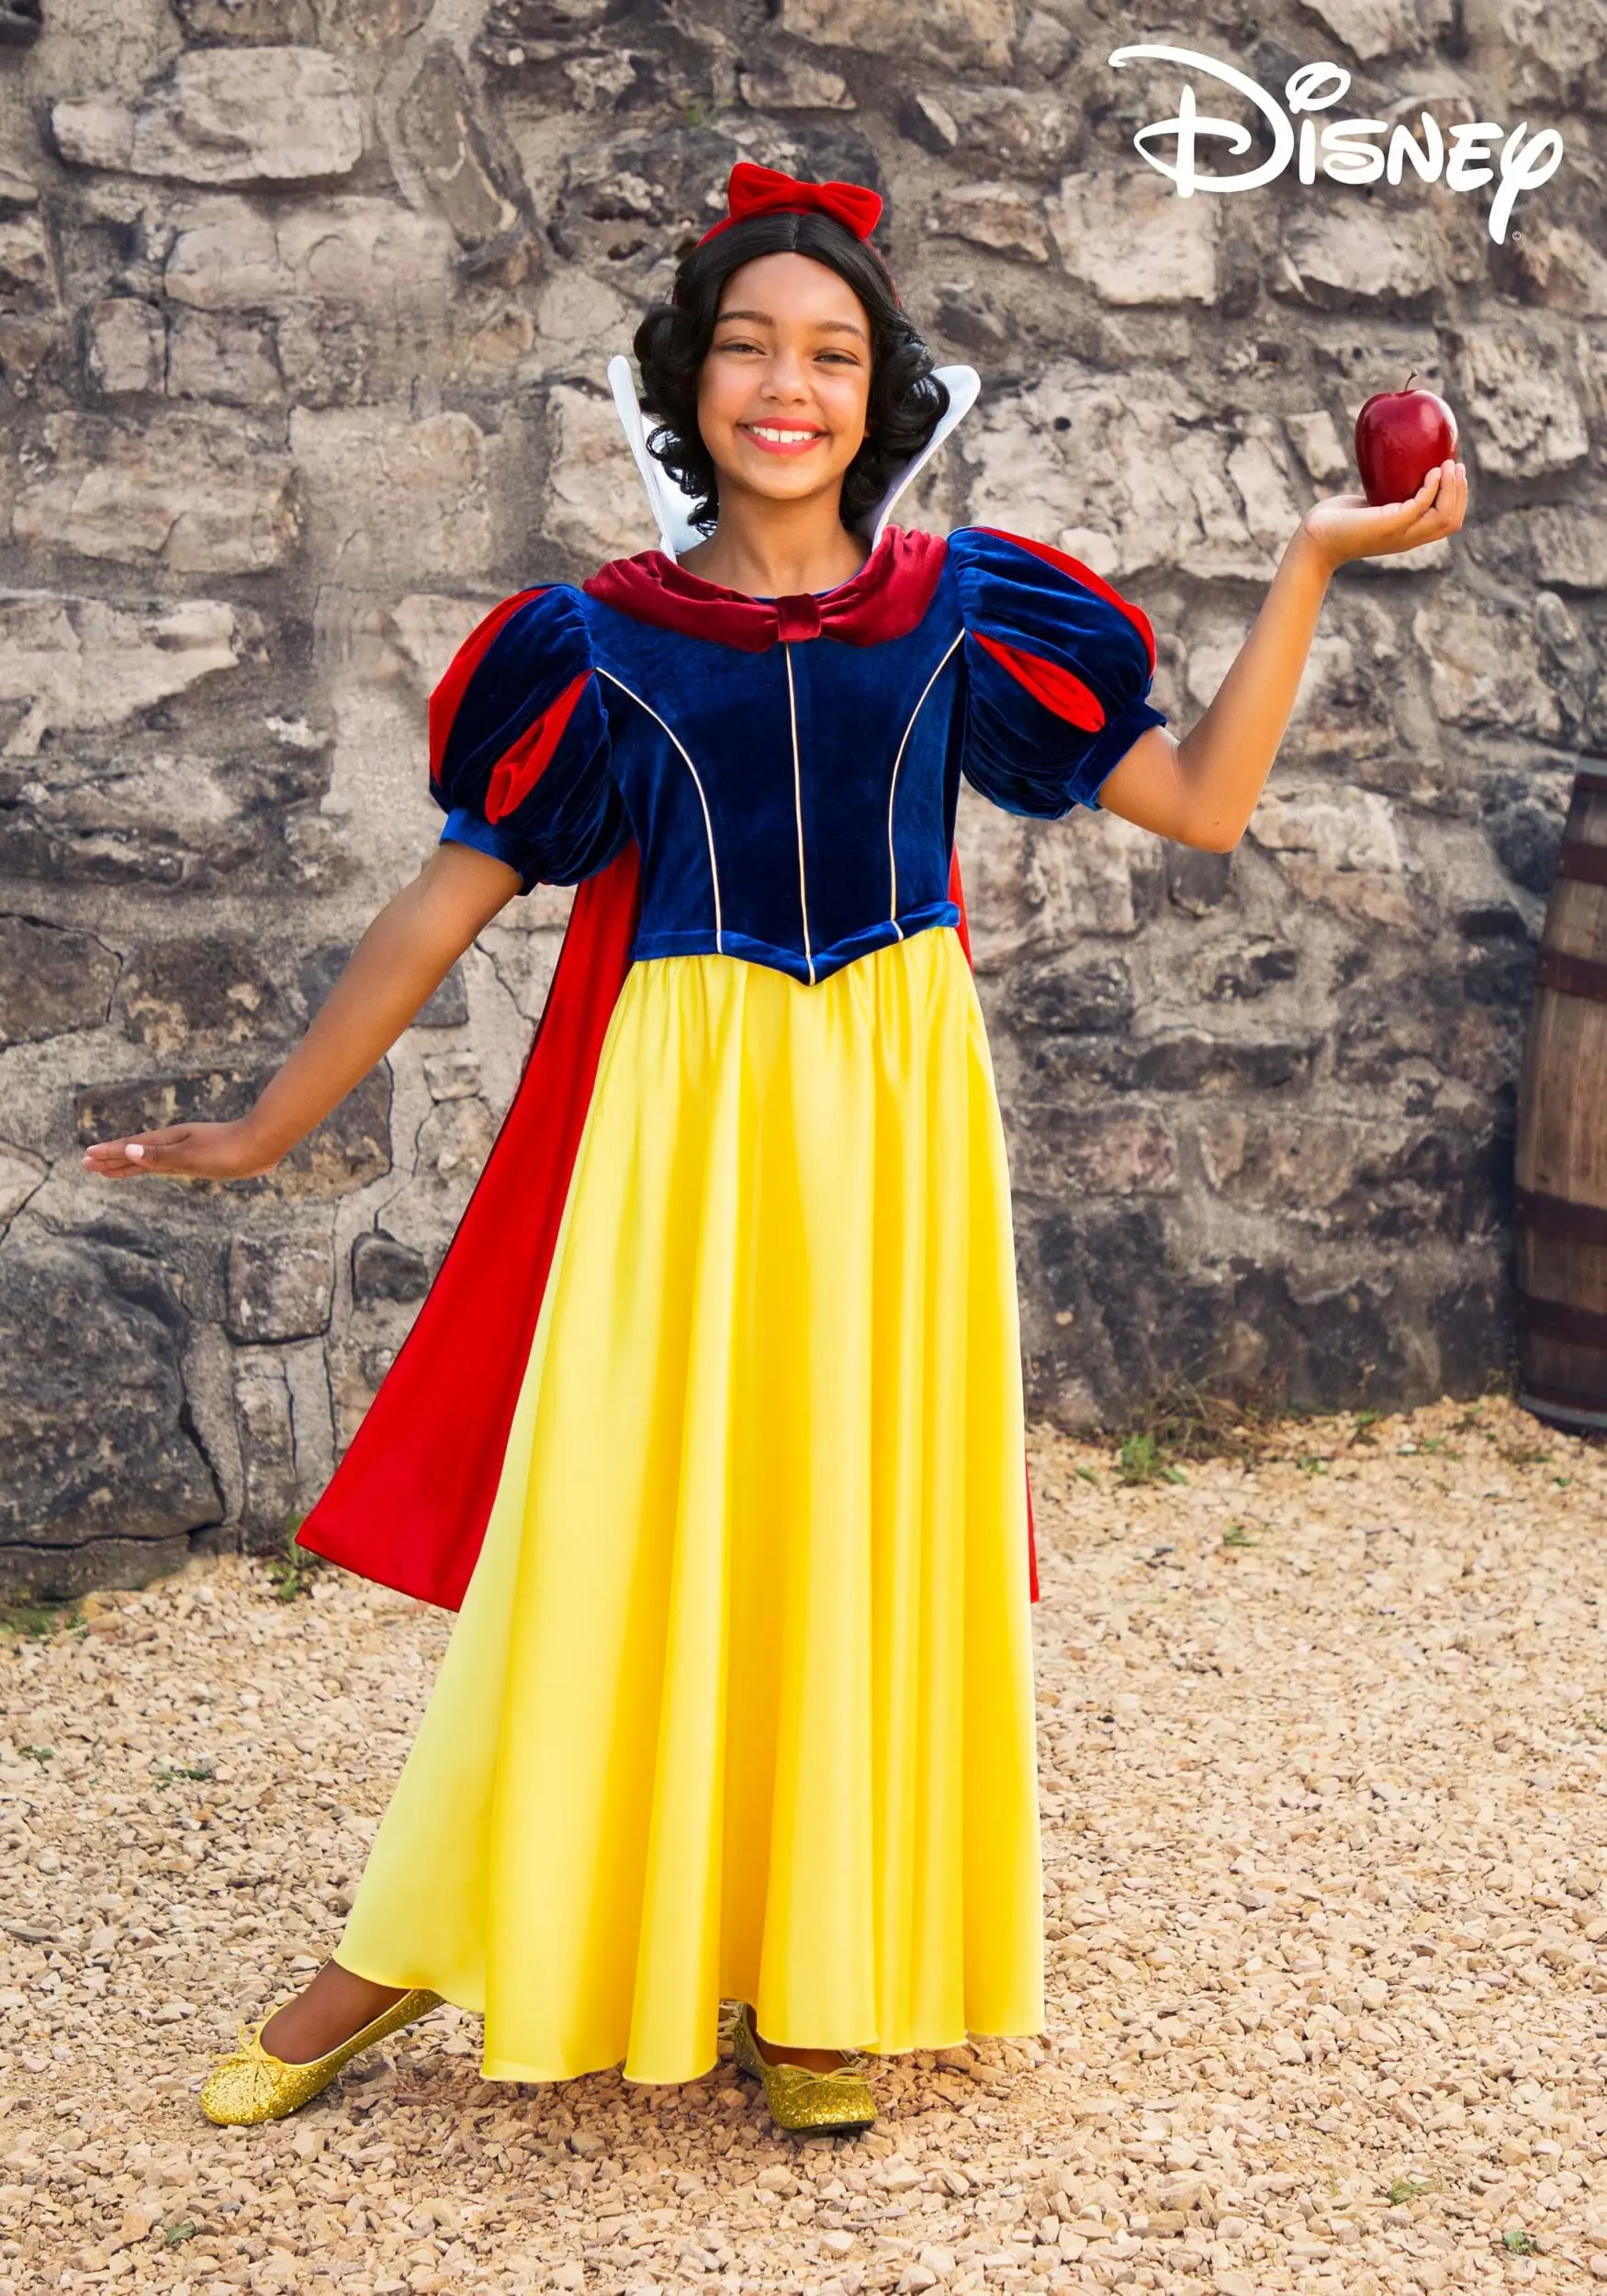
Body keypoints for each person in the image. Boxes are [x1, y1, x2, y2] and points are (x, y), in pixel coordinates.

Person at [84, 161, 1468, 2135]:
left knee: (852, 1519)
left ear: (877, 395)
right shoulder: (595, 643)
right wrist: (262, 1124)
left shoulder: (966, 610)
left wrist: (1312, 558)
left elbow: (1205, 803)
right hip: (689, 1111)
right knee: (612, 1521)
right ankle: (405, 1944)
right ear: (689, 381)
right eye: (747, 346)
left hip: (897, 1110)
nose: (786, 385)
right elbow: (435, 909)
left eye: (829, 353)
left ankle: (814, 1968)